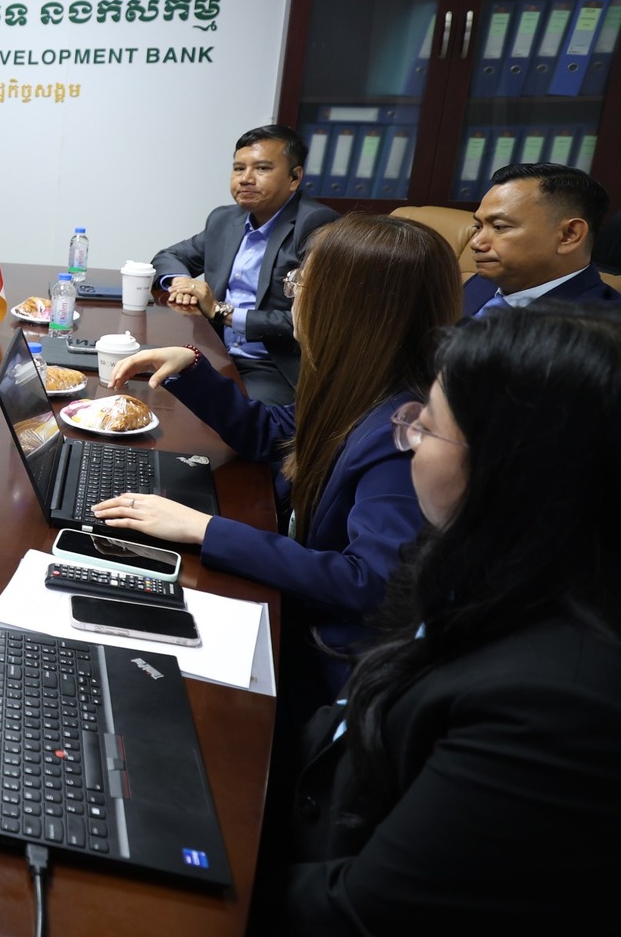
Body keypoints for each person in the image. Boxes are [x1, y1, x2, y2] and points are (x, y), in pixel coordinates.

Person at [262, 304, 621, 931]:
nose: (407, 444)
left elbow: (360, 911)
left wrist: (202, 870)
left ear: (509, 469)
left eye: (425, 430)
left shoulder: (555, 705)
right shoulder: (475, 562)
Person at [97, 214, 459, 703]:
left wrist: (206, 530)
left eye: (301, 282)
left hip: (323, 664)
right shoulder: (359, 382)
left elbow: (372, 584)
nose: (293, 296)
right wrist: (191, 367)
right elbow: (273, 433)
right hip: (294, 609)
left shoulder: (405, 431)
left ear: (350, 305)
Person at [151, 124, 339, 404]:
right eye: (239, 169)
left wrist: (220, 311)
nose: (245, 179)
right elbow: (169, 256)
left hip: (272, 367)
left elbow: (313, 320)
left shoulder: (317, 225)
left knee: (222, 417)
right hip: (214, 352)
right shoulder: (225, 219)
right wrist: (182, 282)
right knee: (152, 394)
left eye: (262, 168)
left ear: (294, 177)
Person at [461, 162, 621, 317]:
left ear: (569, 235)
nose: (476, 243)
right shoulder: (483, 282)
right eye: (478, 227)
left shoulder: (602, 326)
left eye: (499, 227)